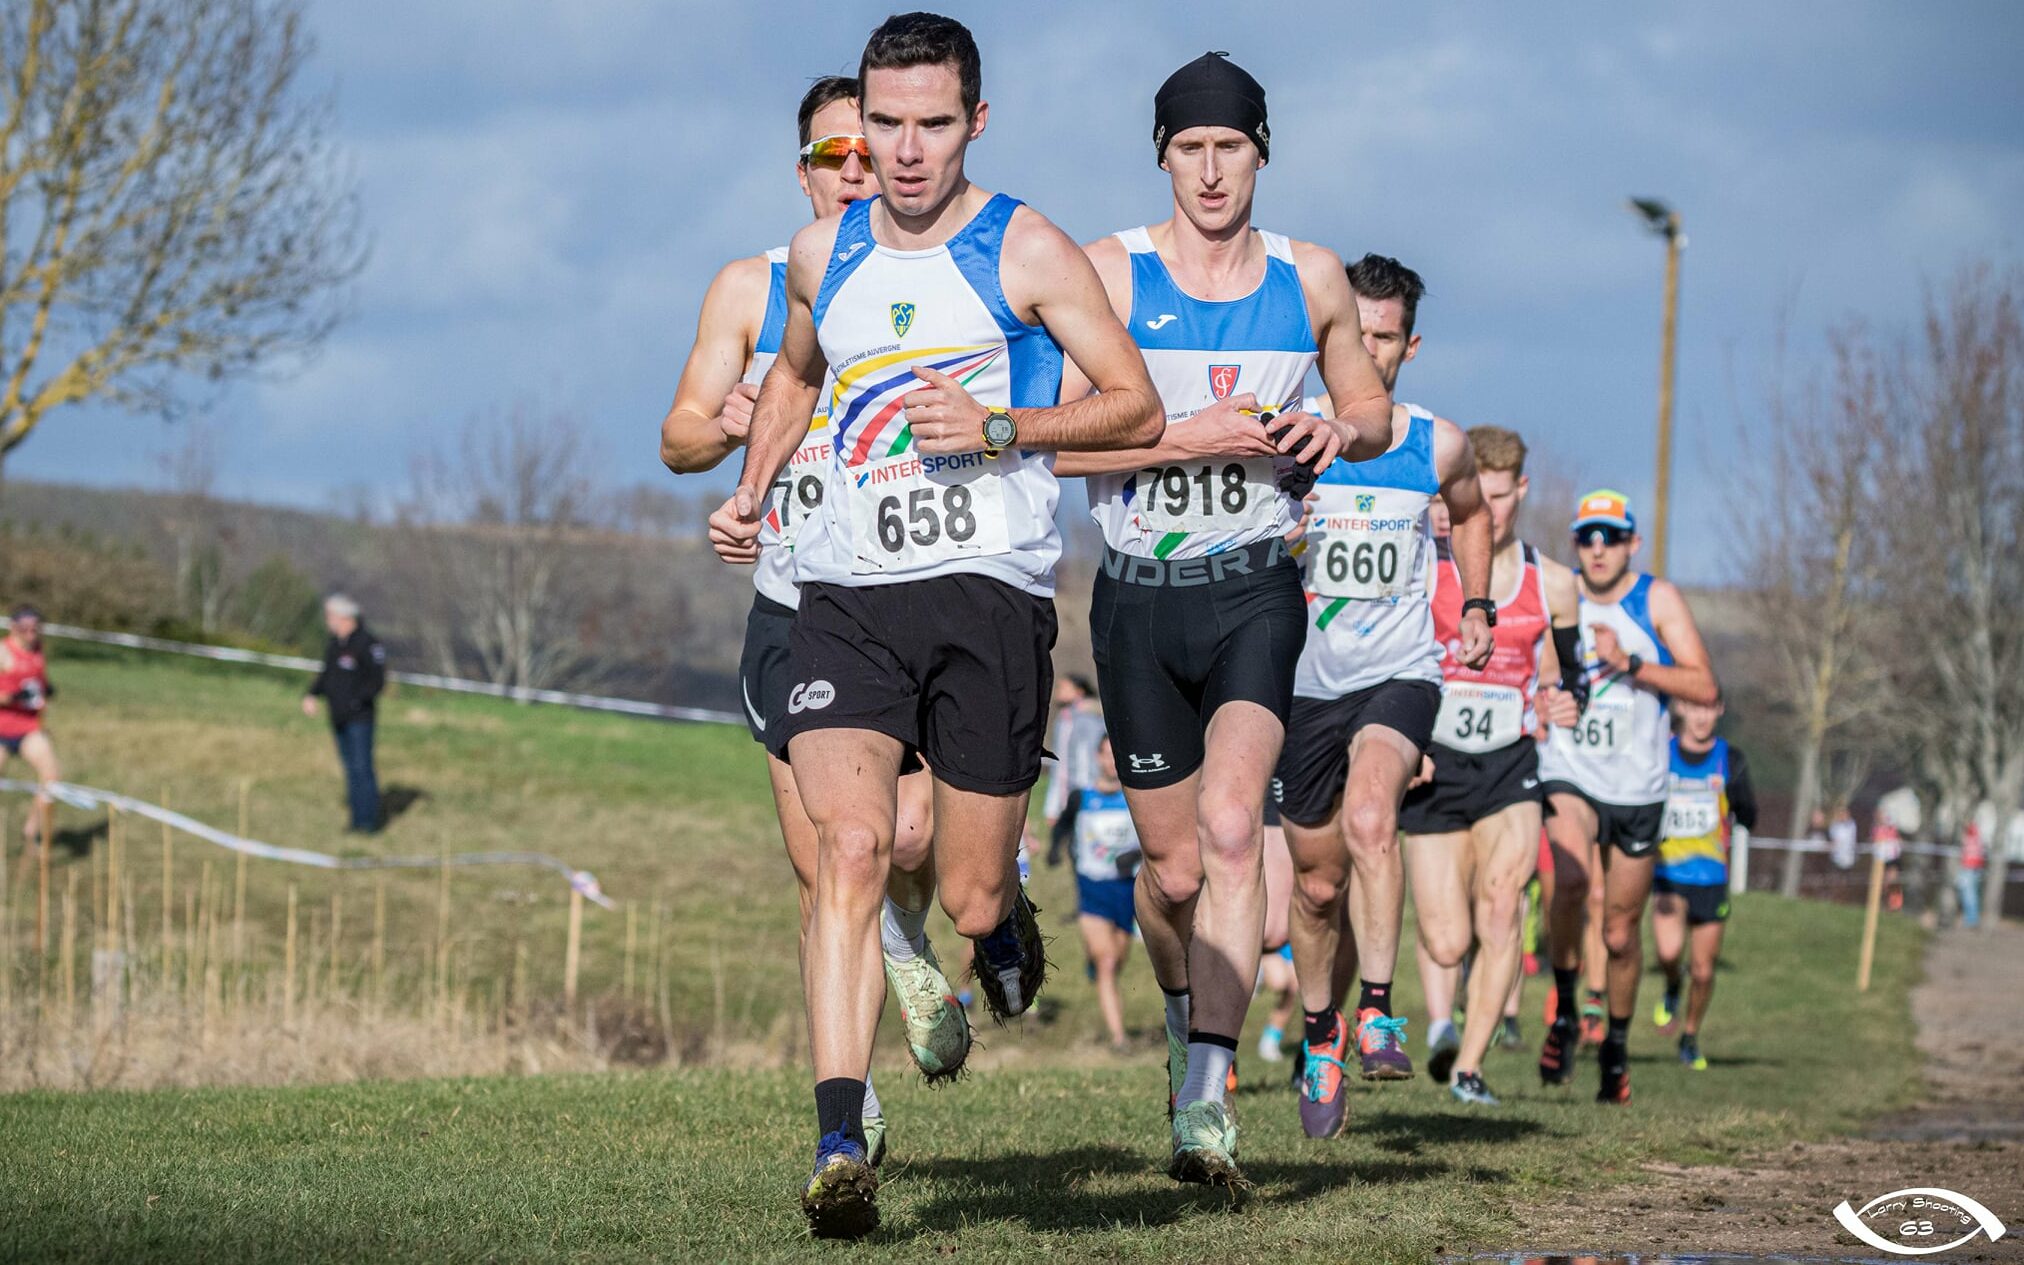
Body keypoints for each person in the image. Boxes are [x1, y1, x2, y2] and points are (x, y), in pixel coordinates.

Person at [705, 13, 1161, 1237]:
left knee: (962, 895)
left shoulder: (1026, 249)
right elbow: (796, 375)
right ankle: (840, 1137)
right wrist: (754, 486)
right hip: (844, 599)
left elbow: (1131, 404)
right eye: (885, 125)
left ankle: (1004, 918)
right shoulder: (820, 252)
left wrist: (1005, 427)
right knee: (845, 851)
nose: (905, 152)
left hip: (987, 599)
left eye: (933, 124)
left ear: (976, 120)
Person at [1050, 51, 1394, 1185]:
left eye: (1229, 148)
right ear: (1162, 154)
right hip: (1137, 598)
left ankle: (1208, 1086)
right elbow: (1059, 441)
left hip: (1255, 585)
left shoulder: (1312, 277)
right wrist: (1183, 439)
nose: (1209, 170)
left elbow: (1370, 405)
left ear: (1260, 152)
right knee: (1177, 870)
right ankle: (1178, 1002)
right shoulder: (1105, 269)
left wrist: (1338, 431)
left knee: (1239, 828)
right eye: (1189, 148)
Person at [659, 76, 969, 1163]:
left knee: (914, 838)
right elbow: (679, 433)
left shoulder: (936, 278)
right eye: (830, 152)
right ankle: (851, 1109)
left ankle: (909, 928)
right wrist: (736, 440)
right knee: (823, 863)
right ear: (802, 169)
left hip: (912, 594)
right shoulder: (752, 285)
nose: (853, 164)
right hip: (796, 605)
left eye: (866, 146)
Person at [1277, 254, 1493, 1140]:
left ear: (1410, 345)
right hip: (1299, 684)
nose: (1372, 349)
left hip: (1401, 671)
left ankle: (1377, 1009)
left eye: (1387, 337)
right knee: (1318, 884)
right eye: (1357, 334)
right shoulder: (1294, 438)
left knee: (1374, 819)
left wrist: (1474, 602)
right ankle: (1320, 1031)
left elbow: (1473, 510)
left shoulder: (1434, 443)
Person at [1399, 424, 1579, 1106]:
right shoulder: (1427, 568)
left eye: (1502, 496)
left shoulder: (1552, 582)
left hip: (1511, 763)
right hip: (1437, 761)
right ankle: (1455, 1008)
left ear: (1519, 490)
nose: (1492, 510)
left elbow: (1573, 675)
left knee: (1504, 907)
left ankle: (1471, 1068)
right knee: (1446, 940)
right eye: (1483, 495)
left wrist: (1564, 698)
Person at [1535, 489, 1718, 1105]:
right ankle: (1564, 1007)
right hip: (1570, 768)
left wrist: (1633, 664)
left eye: (1609, 537)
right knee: (1567, 881)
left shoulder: (1655, 599)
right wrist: (1543, 700)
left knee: (1618, 932)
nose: (1597, 548)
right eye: (1586, 537)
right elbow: (1536, 676)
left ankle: (1615, 1046)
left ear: (1631, 544)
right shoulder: (1559, 593)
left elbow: (1703, 685)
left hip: (1637, 784)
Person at [1650, 690, 1756, 1070]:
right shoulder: (1661, 753)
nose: (1700, 716)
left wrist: (1738, 805)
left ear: (1719, 710)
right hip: (1668, 873)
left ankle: (1690, 1036)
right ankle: (1671, 988)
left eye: (1708, 708)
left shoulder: (1730, 759)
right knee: (1666, 953)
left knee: (1704, 969)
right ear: (1681, 708)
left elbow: (1748, 815)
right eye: (1694, 706)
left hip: (1711, 878)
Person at [1054, 734, 1141, 1052]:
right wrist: (1054, 848)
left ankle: (1096, 961)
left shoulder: (1136, 797)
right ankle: (1119, 1038)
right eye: (1106, 755)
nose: (1111, 762)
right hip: (1091, 886)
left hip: (1126, 888)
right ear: (1097, 758)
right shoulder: (1083, 796)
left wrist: (1134, 856)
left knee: (1116, 959)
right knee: (1107, 961)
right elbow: (1063, 825)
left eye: (1116, 756)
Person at [302, 595, 386, 834]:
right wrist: (311, 694)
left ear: (344, 617)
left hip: (360, 720)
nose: (328, 621)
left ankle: (368, 822)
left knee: (362, 767)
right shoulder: (335, 644)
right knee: (350, 768)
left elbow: (377, 681)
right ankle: (356, 820)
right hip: (338, 717)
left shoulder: (368, 643)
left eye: (330, 616)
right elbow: (326, 674)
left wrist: (355, 702)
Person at [0, 606, 60, 849]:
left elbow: (39, 683)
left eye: (36, 628)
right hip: (1, 730)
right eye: (25, 628)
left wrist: (47, 691)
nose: (31, 633)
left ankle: (31, 832)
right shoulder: (3, 652)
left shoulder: (38, 651)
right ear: (13, 627)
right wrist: (15, 697)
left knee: (51, 777)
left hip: (28, 728)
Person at [1043, 675, 1105, 867]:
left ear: (1079, 691)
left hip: (1085, 792)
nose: (1058, 692)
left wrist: (1089, 790)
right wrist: (1053, 804)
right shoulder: (1064, 719)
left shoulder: (1089, 719)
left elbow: (1091, 757)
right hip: (1067, 795)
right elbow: (1059, 765)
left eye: (1064, 687)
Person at [1957, 818, 1985, 928]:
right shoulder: (1976, 839)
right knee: (1969, 895)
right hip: (1971, 869)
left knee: (1969, 895)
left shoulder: (1971, 839)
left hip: (1970, 869)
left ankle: (1972, 919)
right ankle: (1970, 918)